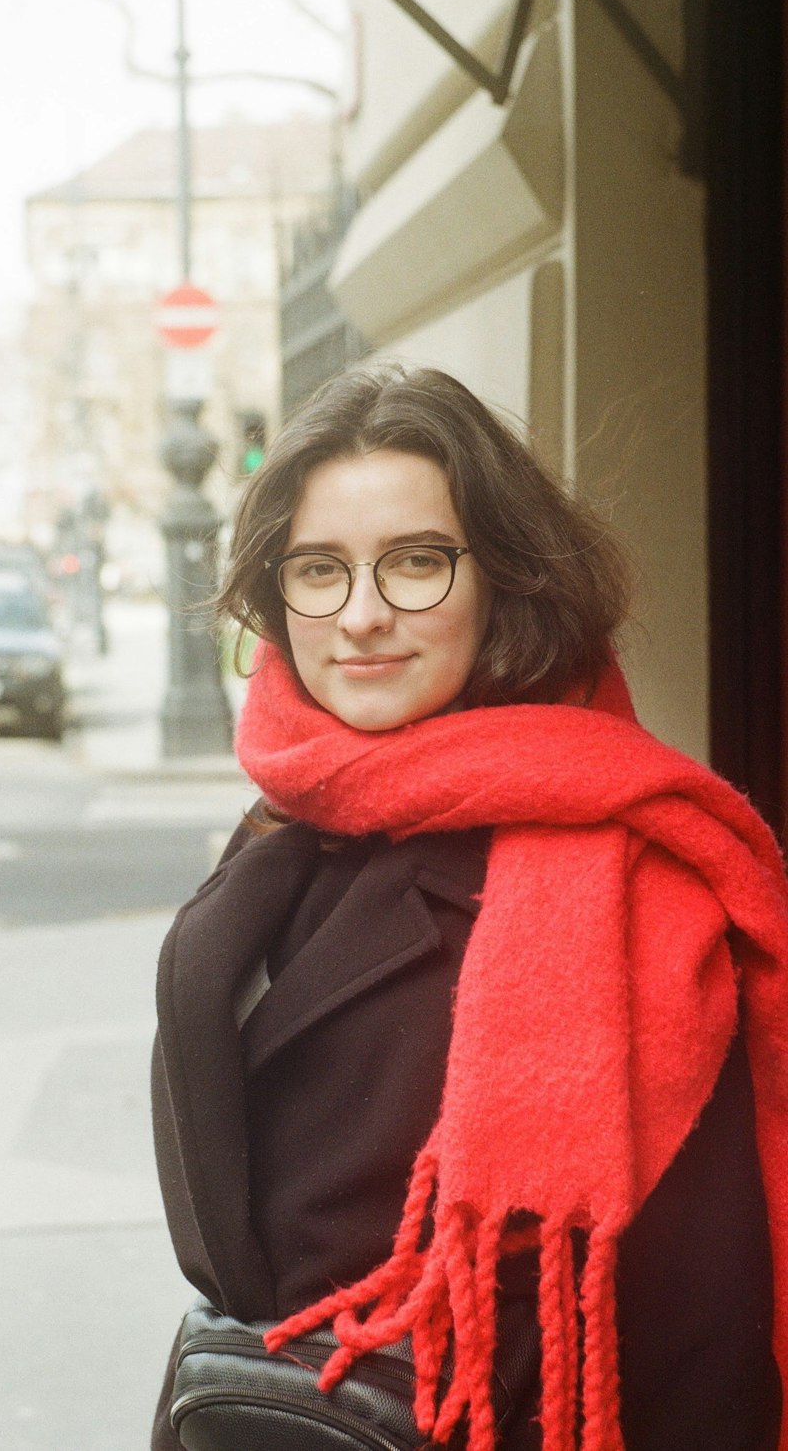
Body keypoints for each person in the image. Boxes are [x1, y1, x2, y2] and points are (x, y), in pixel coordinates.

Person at [152, 363, 787, 1450]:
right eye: (318, 568)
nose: (359, 615)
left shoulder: (630, 882)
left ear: (503, 577)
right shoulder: (290, 819)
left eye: (414, 563)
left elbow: (704, 1320)